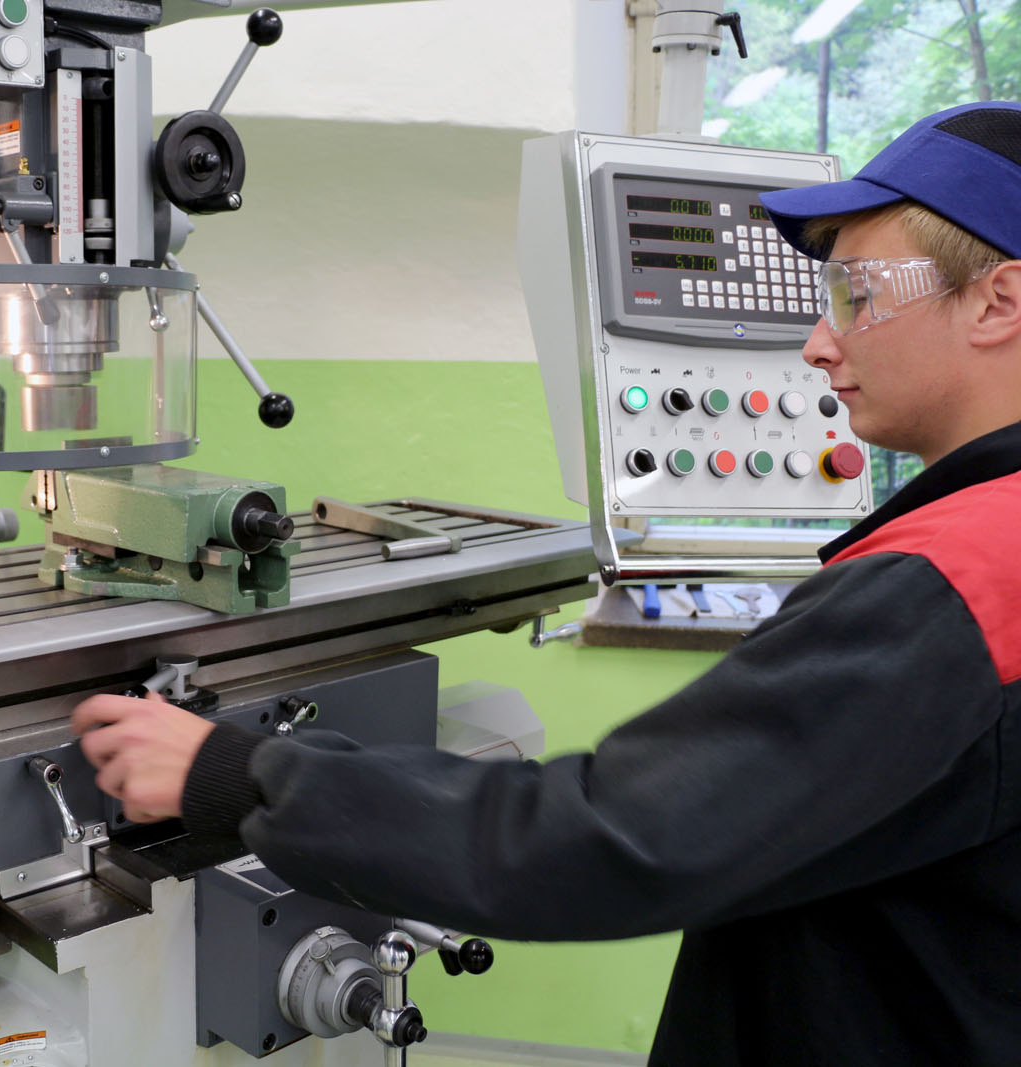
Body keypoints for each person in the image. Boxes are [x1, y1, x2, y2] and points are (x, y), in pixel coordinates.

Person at [72, 101, 1021, 1065]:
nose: (819, 343)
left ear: (998, 302)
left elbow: (610, 838)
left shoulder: (953, 588)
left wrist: (237, 776)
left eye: (858, 295)